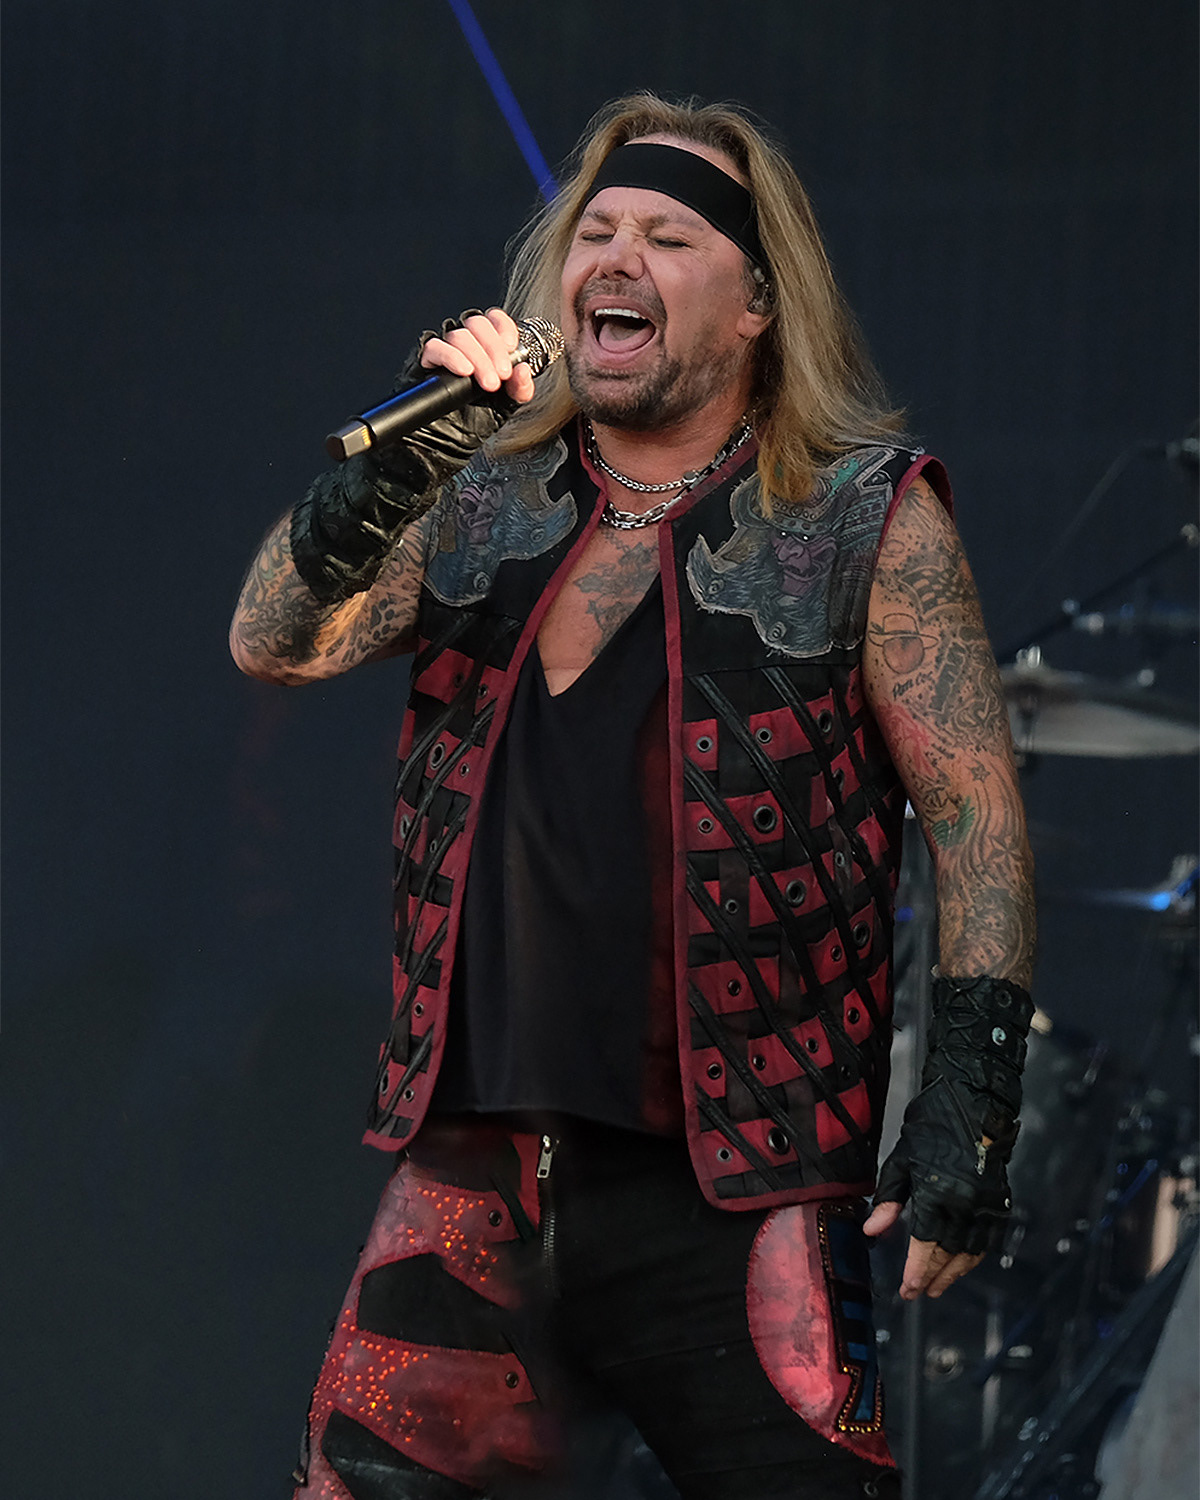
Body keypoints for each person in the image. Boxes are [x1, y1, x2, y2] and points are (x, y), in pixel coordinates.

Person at [231, 93, 1035, 1500]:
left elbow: (977, 829)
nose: (617, 257)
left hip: (740, 1193)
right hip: (475, 1176)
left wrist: (968, 1107)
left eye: (668, 236)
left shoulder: (862, 518)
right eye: (596, 231)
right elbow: (274, 640)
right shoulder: (479, 501)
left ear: (757, 306)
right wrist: (409, 459)